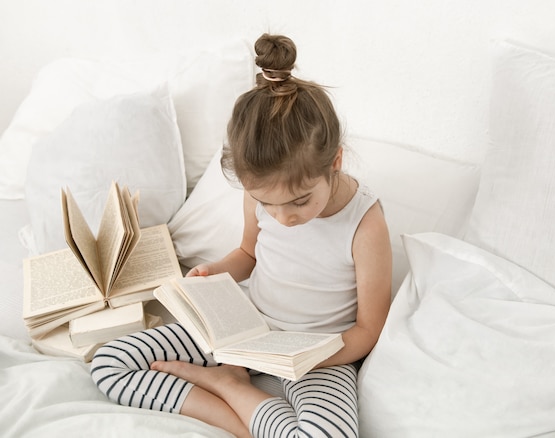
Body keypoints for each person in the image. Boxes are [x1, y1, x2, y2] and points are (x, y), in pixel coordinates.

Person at [91, 33, 392, 438]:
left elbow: (368, 330)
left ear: (335, 161)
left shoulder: (364, 222)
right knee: (110, 363)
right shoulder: (262, 197)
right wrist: (214, 272)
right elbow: (248, 255)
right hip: (246, 330)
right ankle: (244, 412)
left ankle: (227, 387)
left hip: (319, 353)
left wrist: (305, 361)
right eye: (267, 203)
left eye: (300, 202)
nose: (283, 218)